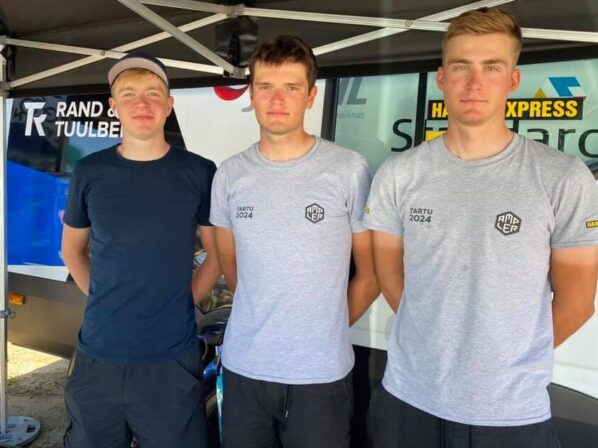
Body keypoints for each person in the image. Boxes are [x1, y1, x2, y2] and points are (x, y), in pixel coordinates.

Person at [364, 7, 598, 448]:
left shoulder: (562, 178)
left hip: (510, 415)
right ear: (441, 78)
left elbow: (577, 302)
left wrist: (498, 367)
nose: (474, 83)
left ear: (513, 79)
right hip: (407, 401)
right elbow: (393, 281)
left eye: (492, 67)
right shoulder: (399, 174)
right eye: (461, 67)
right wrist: (434, 345)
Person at [210, 34, 379, 448]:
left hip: (319, 376)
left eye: (291, 87)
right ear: (252, 94)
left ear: (311, 96)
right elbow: (232, 267)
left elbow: (372, 274)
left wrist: (325, 330)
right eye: (266, 86)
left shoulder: (348, 169)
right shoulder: (229, 175)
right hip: (244, 368)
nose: (277, 99)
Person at [61, 51, 220, 448]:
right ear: (113, 106)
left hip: (171, 360)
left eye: (153, 93)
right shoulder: (90, 172)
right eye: (128, 94)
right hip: (98, 357)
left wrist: (184, 301)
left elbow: (217, 254)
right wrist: (103, 298)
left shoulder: (199, 171)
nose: (141, 103)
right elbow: (72, 251)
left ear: (169, 105)